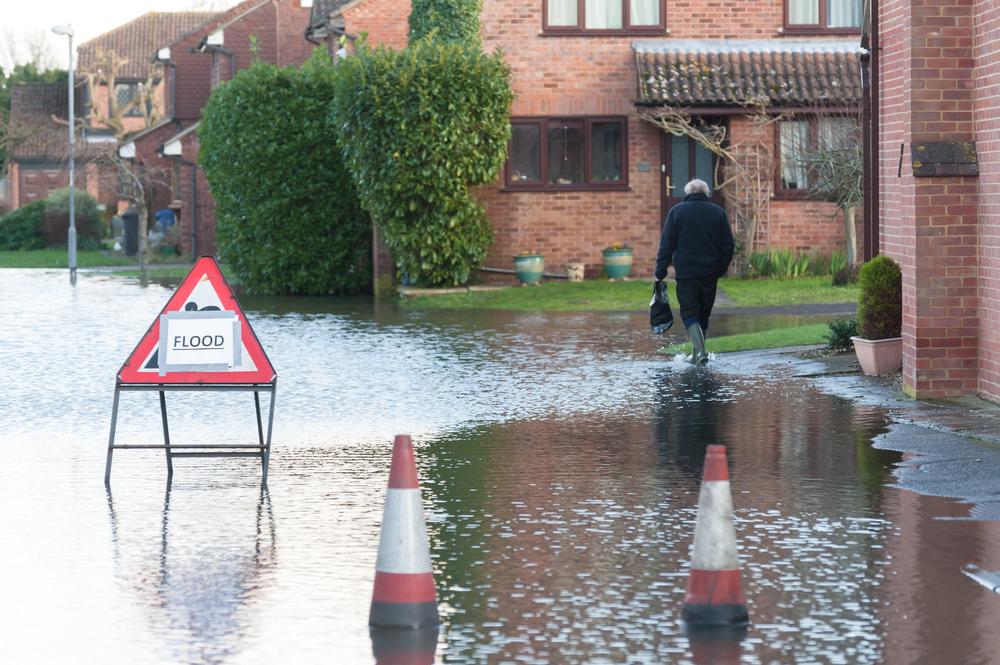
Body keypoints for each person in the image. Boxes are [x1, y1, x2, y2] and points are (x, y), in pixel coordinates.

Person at [654, 179, 734, 365]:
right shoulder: (718, 212)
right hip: (710, 273)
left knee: (689, 313)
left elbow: (667, 245)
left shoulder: (677, 212)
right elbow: (728, 245)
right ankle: (696, 356)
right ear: (706, 193)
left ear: (688, 193)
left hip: (686, 274)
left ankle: (701, 353)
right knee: (703, 314)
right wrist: (720, 269)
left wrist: (660, 271)